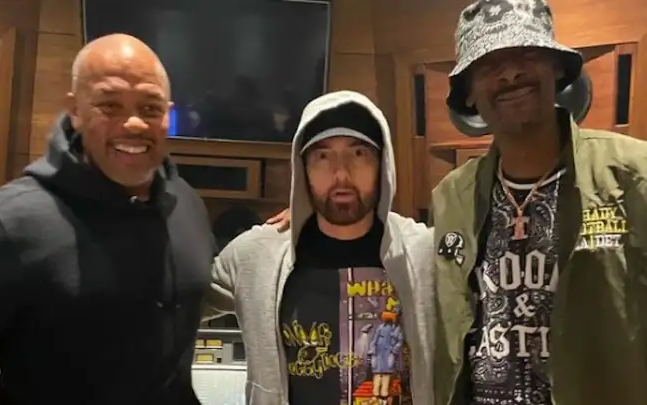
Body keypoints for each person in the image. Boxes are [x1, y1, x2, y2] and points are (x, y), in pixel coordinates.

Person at [0, 34, 287, 405]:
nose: (133, 123)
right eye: (110, 105)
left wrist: (307, 219)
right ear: (75, 110)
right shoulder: (8, 222)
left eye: (150, 108)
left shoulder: (187, 204)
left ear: (168, 114)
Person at [431, 1, 647, 405]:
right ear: (470, 94)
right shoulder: (451, 197)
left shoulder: (634, 175)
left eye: (527, 54)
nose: (510, 73)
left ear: (557, 68)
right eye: (489, 64)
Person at [206, 90, 435, 405]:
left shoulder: (425, 253)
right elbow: (168, 309)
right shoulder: (256, 256)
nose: (341, 174)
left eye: (358, 154)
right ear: (302, 169)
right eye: (322, 157)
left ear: (382, 164)